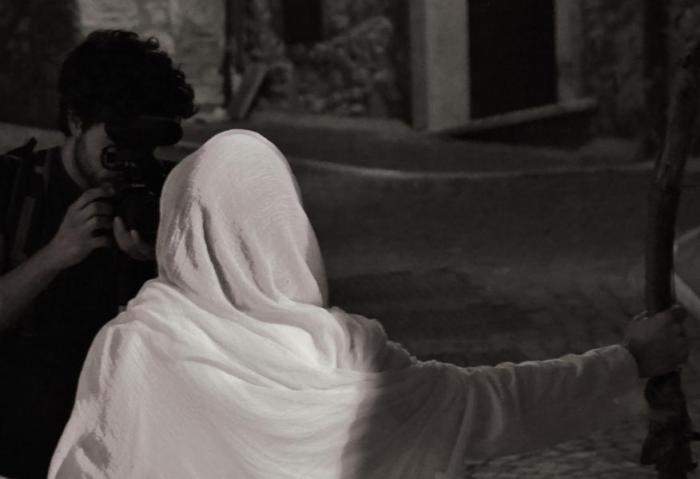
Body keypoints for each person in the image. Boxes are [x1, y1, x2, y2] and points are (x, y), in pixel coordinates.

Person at [48, 129, 688, 479]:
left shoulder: (134, 349)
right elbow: (491, 403)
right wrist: (628, 361)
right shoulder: (347, 359)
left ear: (177, 229)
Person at [0, 30, 196, 478]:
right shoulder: (12, 188)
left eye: (143, 146)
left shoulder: (168, 191)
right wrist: (55, 254)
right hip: (22, 438)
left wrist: (162, 265)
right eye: (116, 145)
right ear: (75, 120)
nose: (130, 160)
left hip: (131, 442)